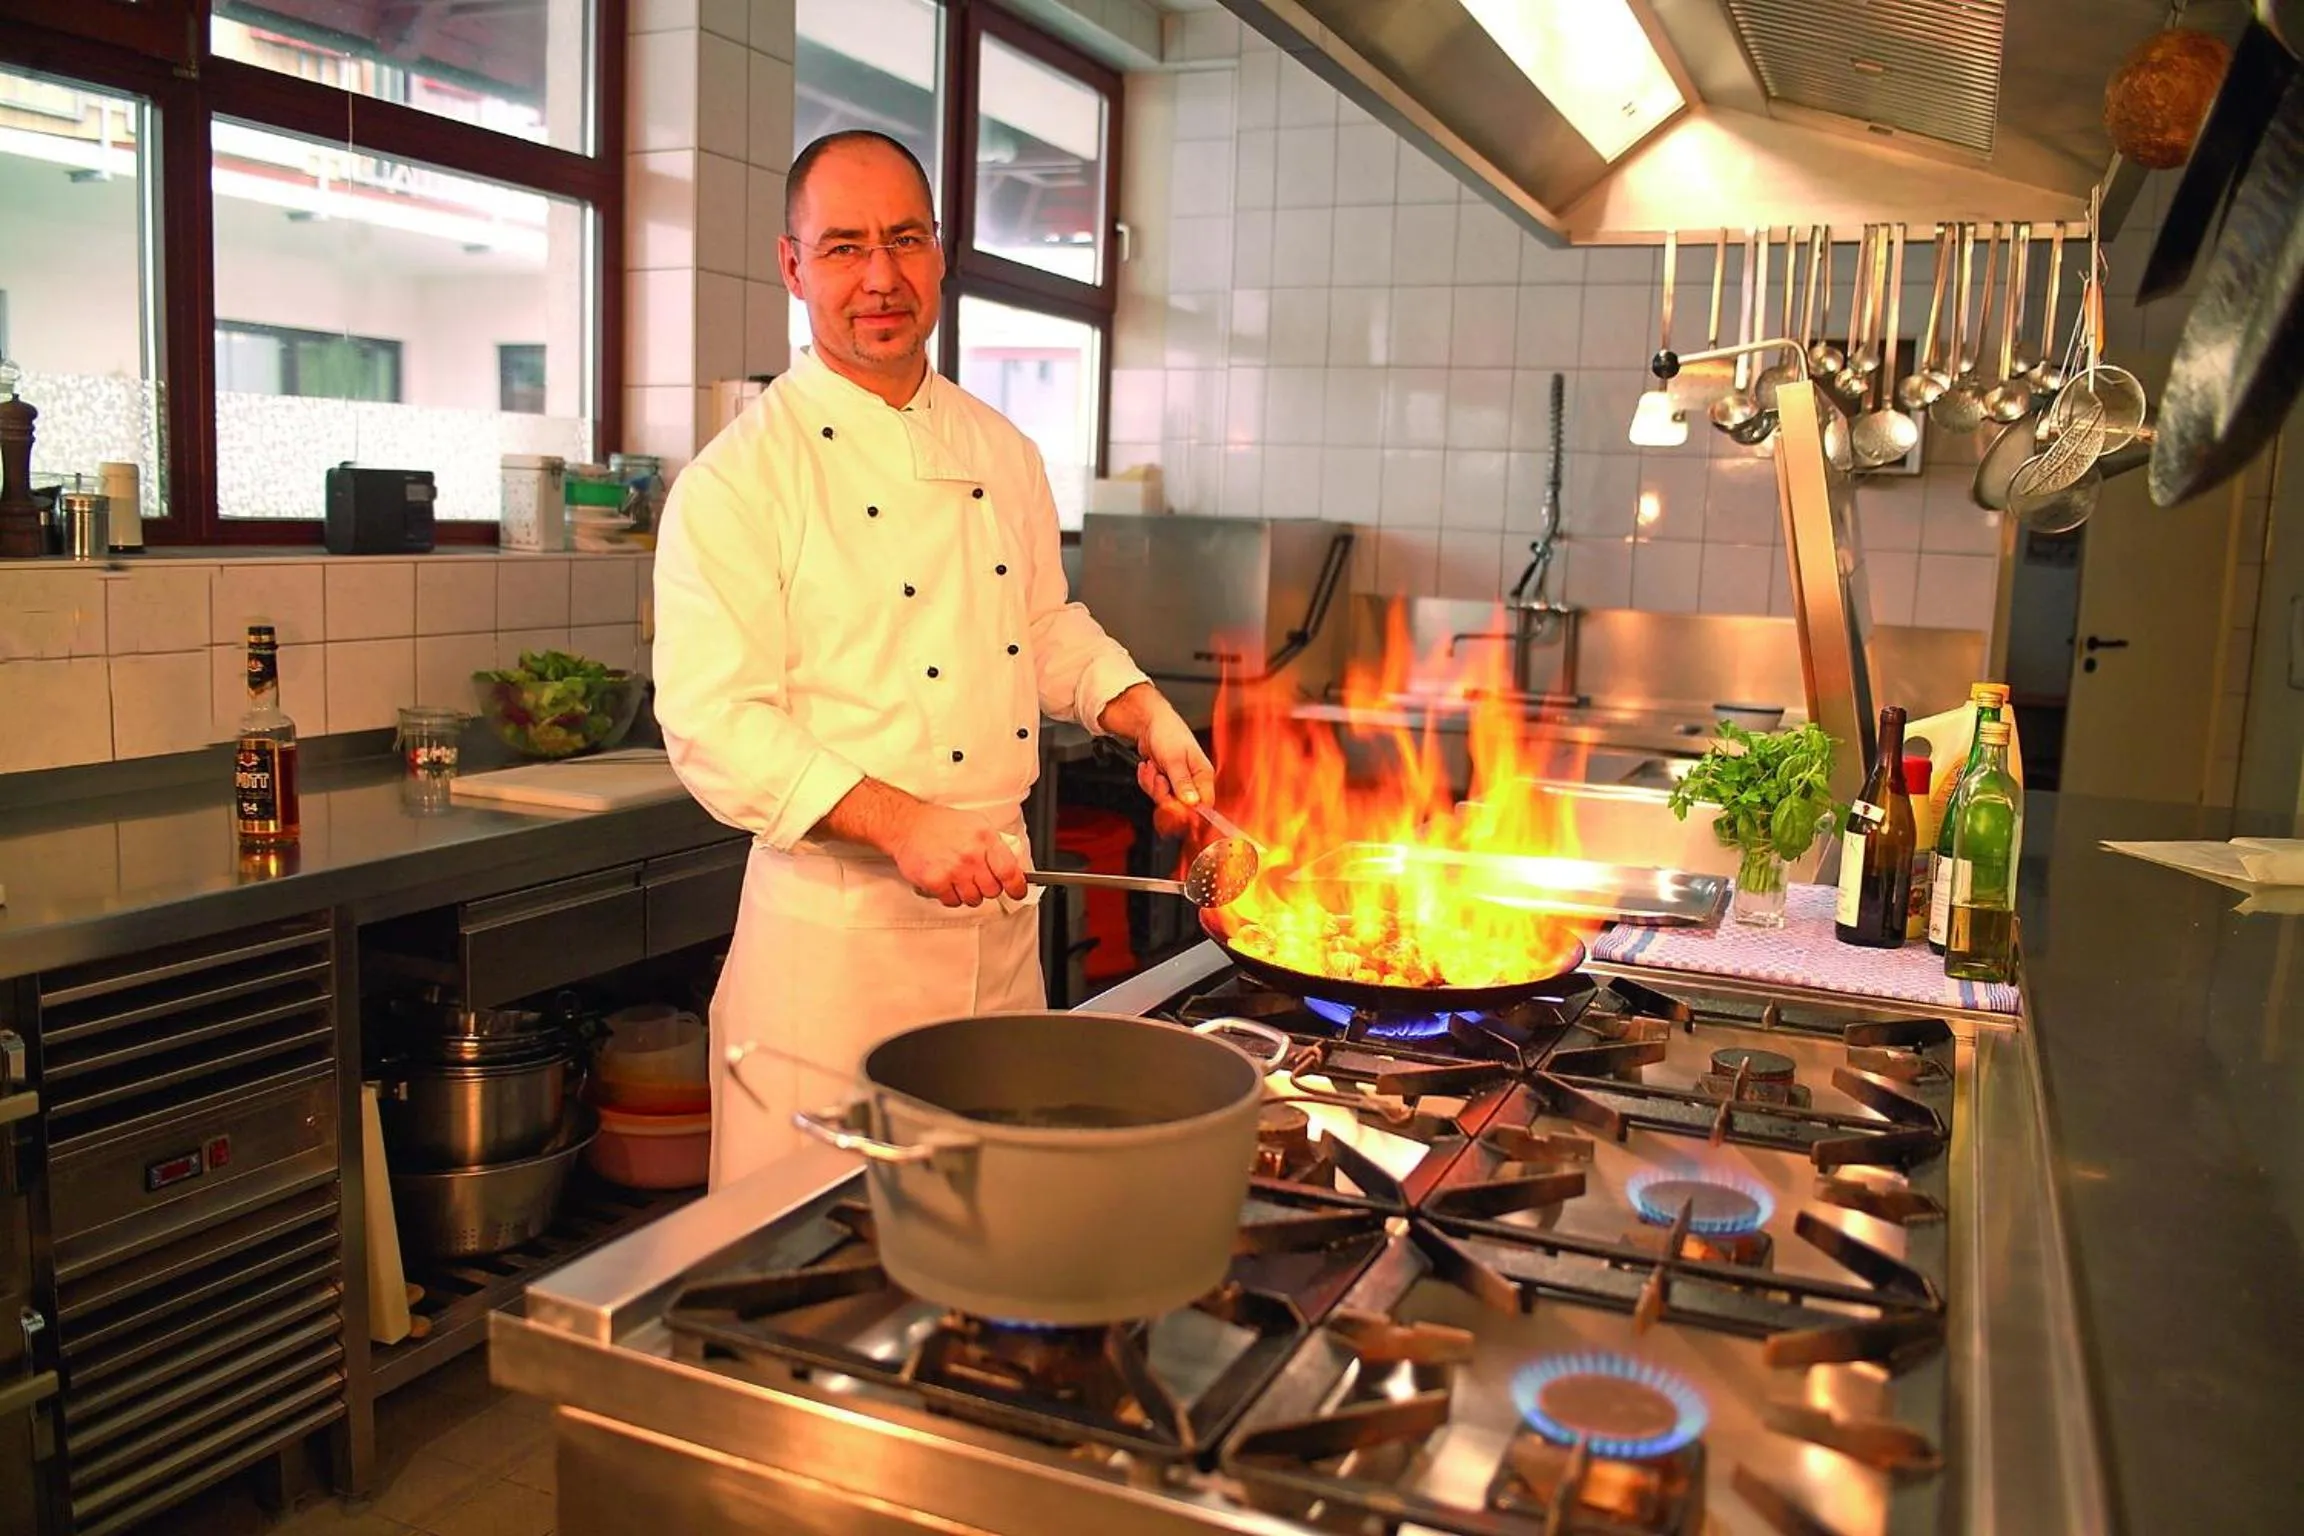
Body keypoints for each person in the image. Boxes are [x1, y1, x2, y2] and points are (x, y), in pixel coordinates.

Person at [652, 129, 1214, 1189]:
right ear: (793, 265)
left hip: (998, 943)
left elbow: (1042, 624)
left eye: (905, 240)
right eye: (844, 247)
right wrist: (903, 823)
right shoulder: (738, 483)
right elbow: (714, 724)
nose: (880, 277)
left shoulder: (1000, 452)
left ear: (942, 251)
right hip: (833, 957)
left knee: (999, 1250)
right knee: (816, 1279)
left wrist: (1138, 706)